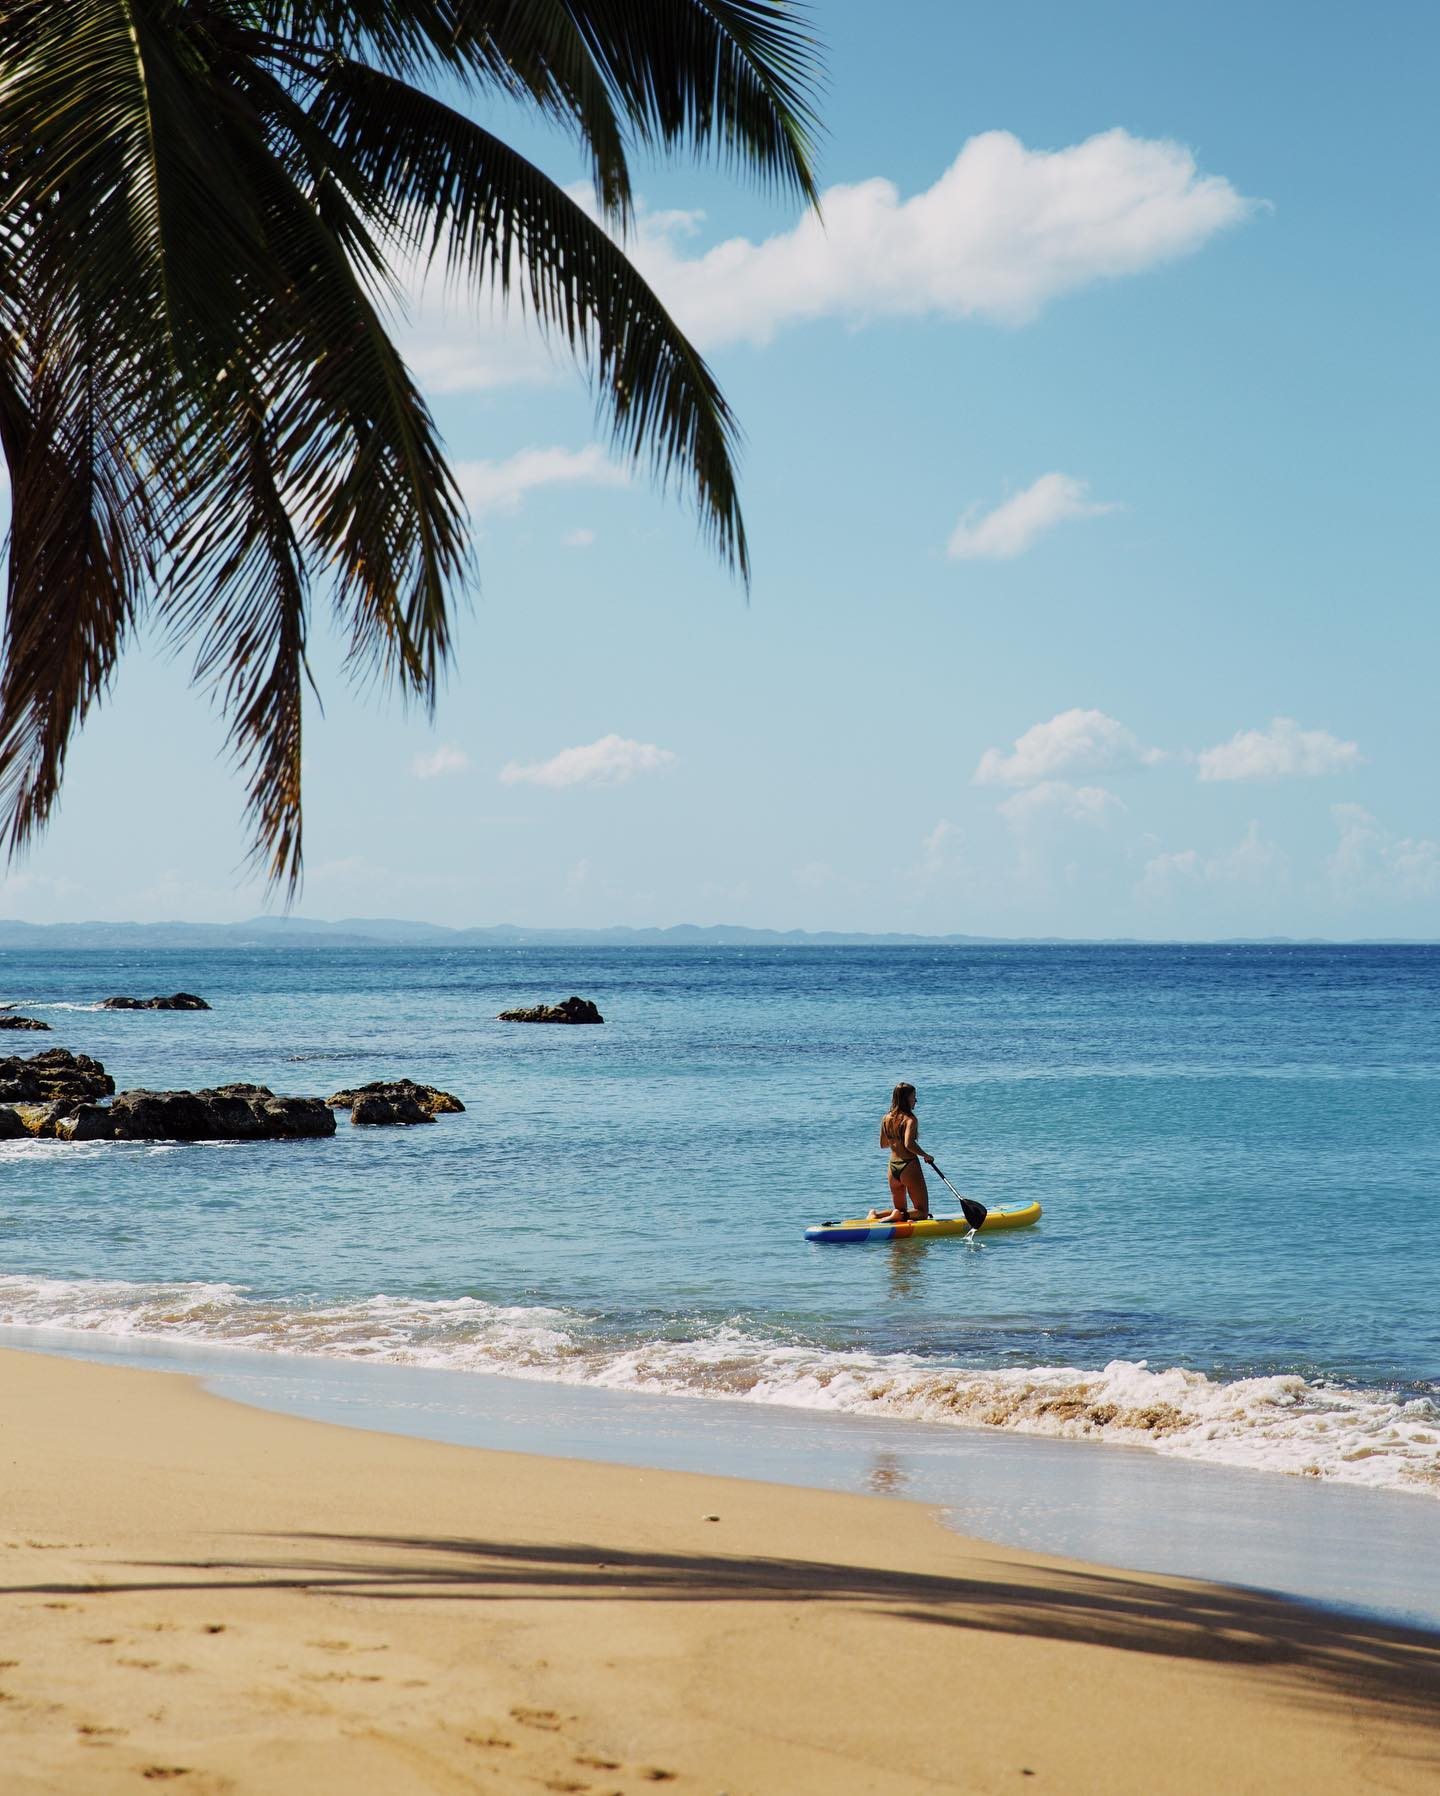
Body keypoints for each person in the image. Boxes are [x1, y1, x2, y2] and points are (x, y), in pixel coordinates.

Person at [869, 1081, 935, 1222]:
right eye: (913, 1097)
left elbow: (883, 1144)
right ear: (906, 1099)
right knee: (922, 1212)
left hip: (892, 1167)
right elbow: (909, 1144)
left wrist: (895, 1138)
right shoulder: (910, 1119)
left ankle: (876, 1214)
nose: (915, 1100)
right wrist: (926, 1155)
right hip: (908, 1165)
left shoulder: (886, 1118)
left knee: (901, 1210)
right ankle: (897, 1216)